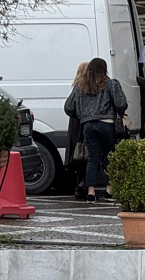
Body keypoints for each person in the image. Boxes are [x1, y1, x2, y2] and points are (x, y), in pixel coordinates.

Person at [64, 58, 127, 203]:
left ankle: (91, 192)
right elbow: (121, 104)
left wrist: (82, 115)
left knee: (92, 158)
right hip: (106, 124)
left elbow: (68, 107)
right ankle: (109, 189)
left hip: (88, 126)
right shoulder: (111, 84)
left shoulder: (80, 87)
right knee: (110, 157)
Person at [66, 61, 89, 200]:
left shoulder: (76, 88)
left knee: (79, 155)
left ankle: (79, 187)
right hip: (86, 123)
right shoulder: (93, 88)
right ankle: (85, 183)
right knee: (89, 155)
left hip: (76, 125)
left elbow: (68, 107)